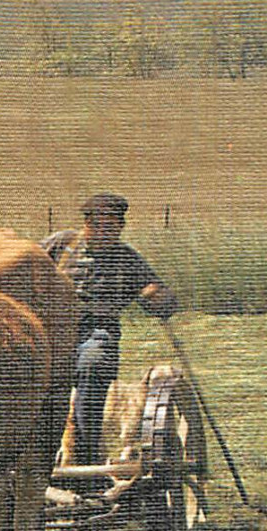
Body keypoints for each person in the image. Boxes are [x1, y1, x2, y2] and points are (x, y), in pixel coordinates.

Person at [42, 193, 180, 464]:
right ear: (86, 224)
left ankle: (85, 451)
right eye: (96, 226)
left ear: (120, 228)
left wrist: (156, 295)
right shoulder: (61, 244)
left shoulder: (127, 260)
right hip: (51, 330)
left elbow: (163, 299)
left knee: (93, 362)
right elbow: (25, 265)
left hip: (96, 332)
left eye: (110, 227)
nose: (102, 233)